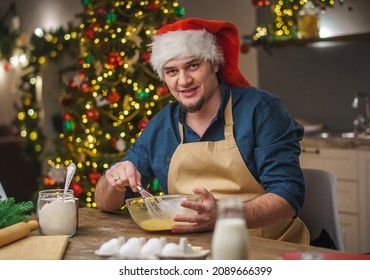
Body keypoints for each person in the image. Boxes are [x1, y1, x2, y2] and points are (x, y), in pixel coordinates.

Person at [95, 18, 309, 244]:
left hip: (264, 246)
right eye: (171, 71)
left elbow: (288, 195)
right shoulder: (161, 125)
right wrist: (113, 181)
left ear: (214, 64)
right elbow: (105, 203)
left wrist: (224, 216)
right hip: (192, 250)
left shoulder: (261, 109)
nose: (183, 81)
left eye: (193, 66)